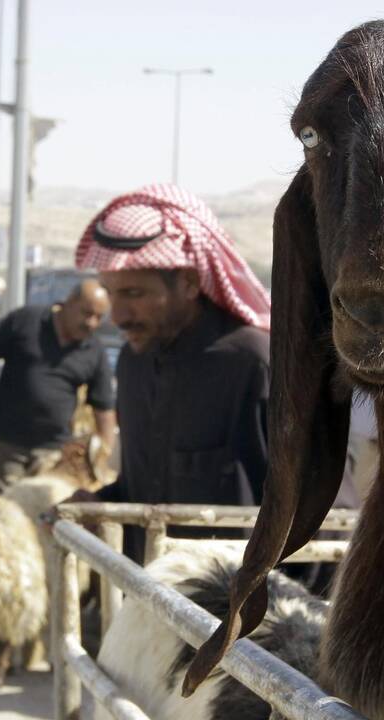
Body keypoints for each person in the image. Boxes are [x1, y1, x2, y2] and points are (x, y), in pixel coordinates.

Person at [72, 184, 272, 562]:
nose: (117, 316)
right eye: (111, 293)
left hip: (234, 610)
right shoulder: (135, 361)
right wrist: (97, 505)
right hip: (146, 594)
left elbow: (319, 515)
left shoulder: (251, 362)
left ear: (189, 283)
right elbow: (144, 489)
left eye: (133, 294)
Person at [0, 279, 117, 494]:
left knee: (45, 515)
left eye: (99, 317)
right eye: (86, 313)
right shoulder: (26, 320)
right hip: (8, 443)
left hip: (54, 452)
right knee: (5, 514)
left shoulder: (93, 350)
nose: (91, 323)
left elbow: (104, 408)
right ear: (69, 302)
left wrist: (101, 457)